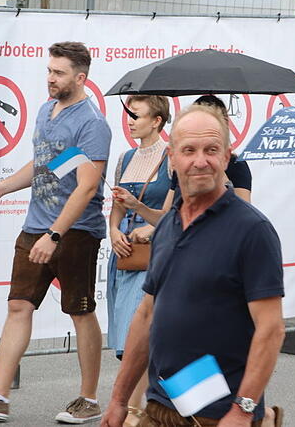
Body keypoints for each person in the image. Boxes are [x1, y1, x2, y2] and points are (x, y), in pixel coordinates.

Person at [0, 42, 111, 424]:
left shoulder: (92, 123)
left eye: (58, 72)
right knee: (18, 305)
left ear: (80, 77)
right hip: (34, 226)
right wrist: (2, 187)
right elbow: (45, 165)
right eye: (49, 70)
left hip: (74, 233)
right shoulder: (46, 111)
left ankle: (89, 399)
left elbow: (87, 187)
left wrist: (55, 235)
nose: (50, 78)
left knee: (80, 312)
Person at [102, 105, 285, 427]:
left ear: (227, 157)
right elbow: (146, 315)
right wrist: (118, 401)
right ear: (172, 158)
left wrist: (243, 410)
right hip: (159, 409)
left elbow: (270, 329)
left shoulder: (252, 230)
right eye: (189, 150)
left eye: (211, 150)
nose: (200, 161)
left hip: (221, 417)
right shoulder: (168, 226)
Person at [107, 95, 171, 425]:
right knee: (125, 334)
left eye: (137, 115)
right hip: (124, 253)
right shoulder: (125, 158)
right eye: (130, 115)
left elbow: (170, 214)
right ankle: (136, 407)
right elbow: (116, 207)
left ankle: (134, 410)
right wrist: (114, 231)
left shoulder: (170, 156)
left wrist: (144, 219)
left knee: (141, 334)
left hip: (154, 252)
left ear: (157, 120)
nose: (131, 120)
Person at [115, 95, 251, 227]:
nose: (200, 162)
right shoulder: (183, 166)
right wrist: (136, 206)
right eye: (190, 150)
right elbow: (166, 218)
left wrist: (219, 171)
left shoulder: (236, 165)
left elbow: (243, 219)